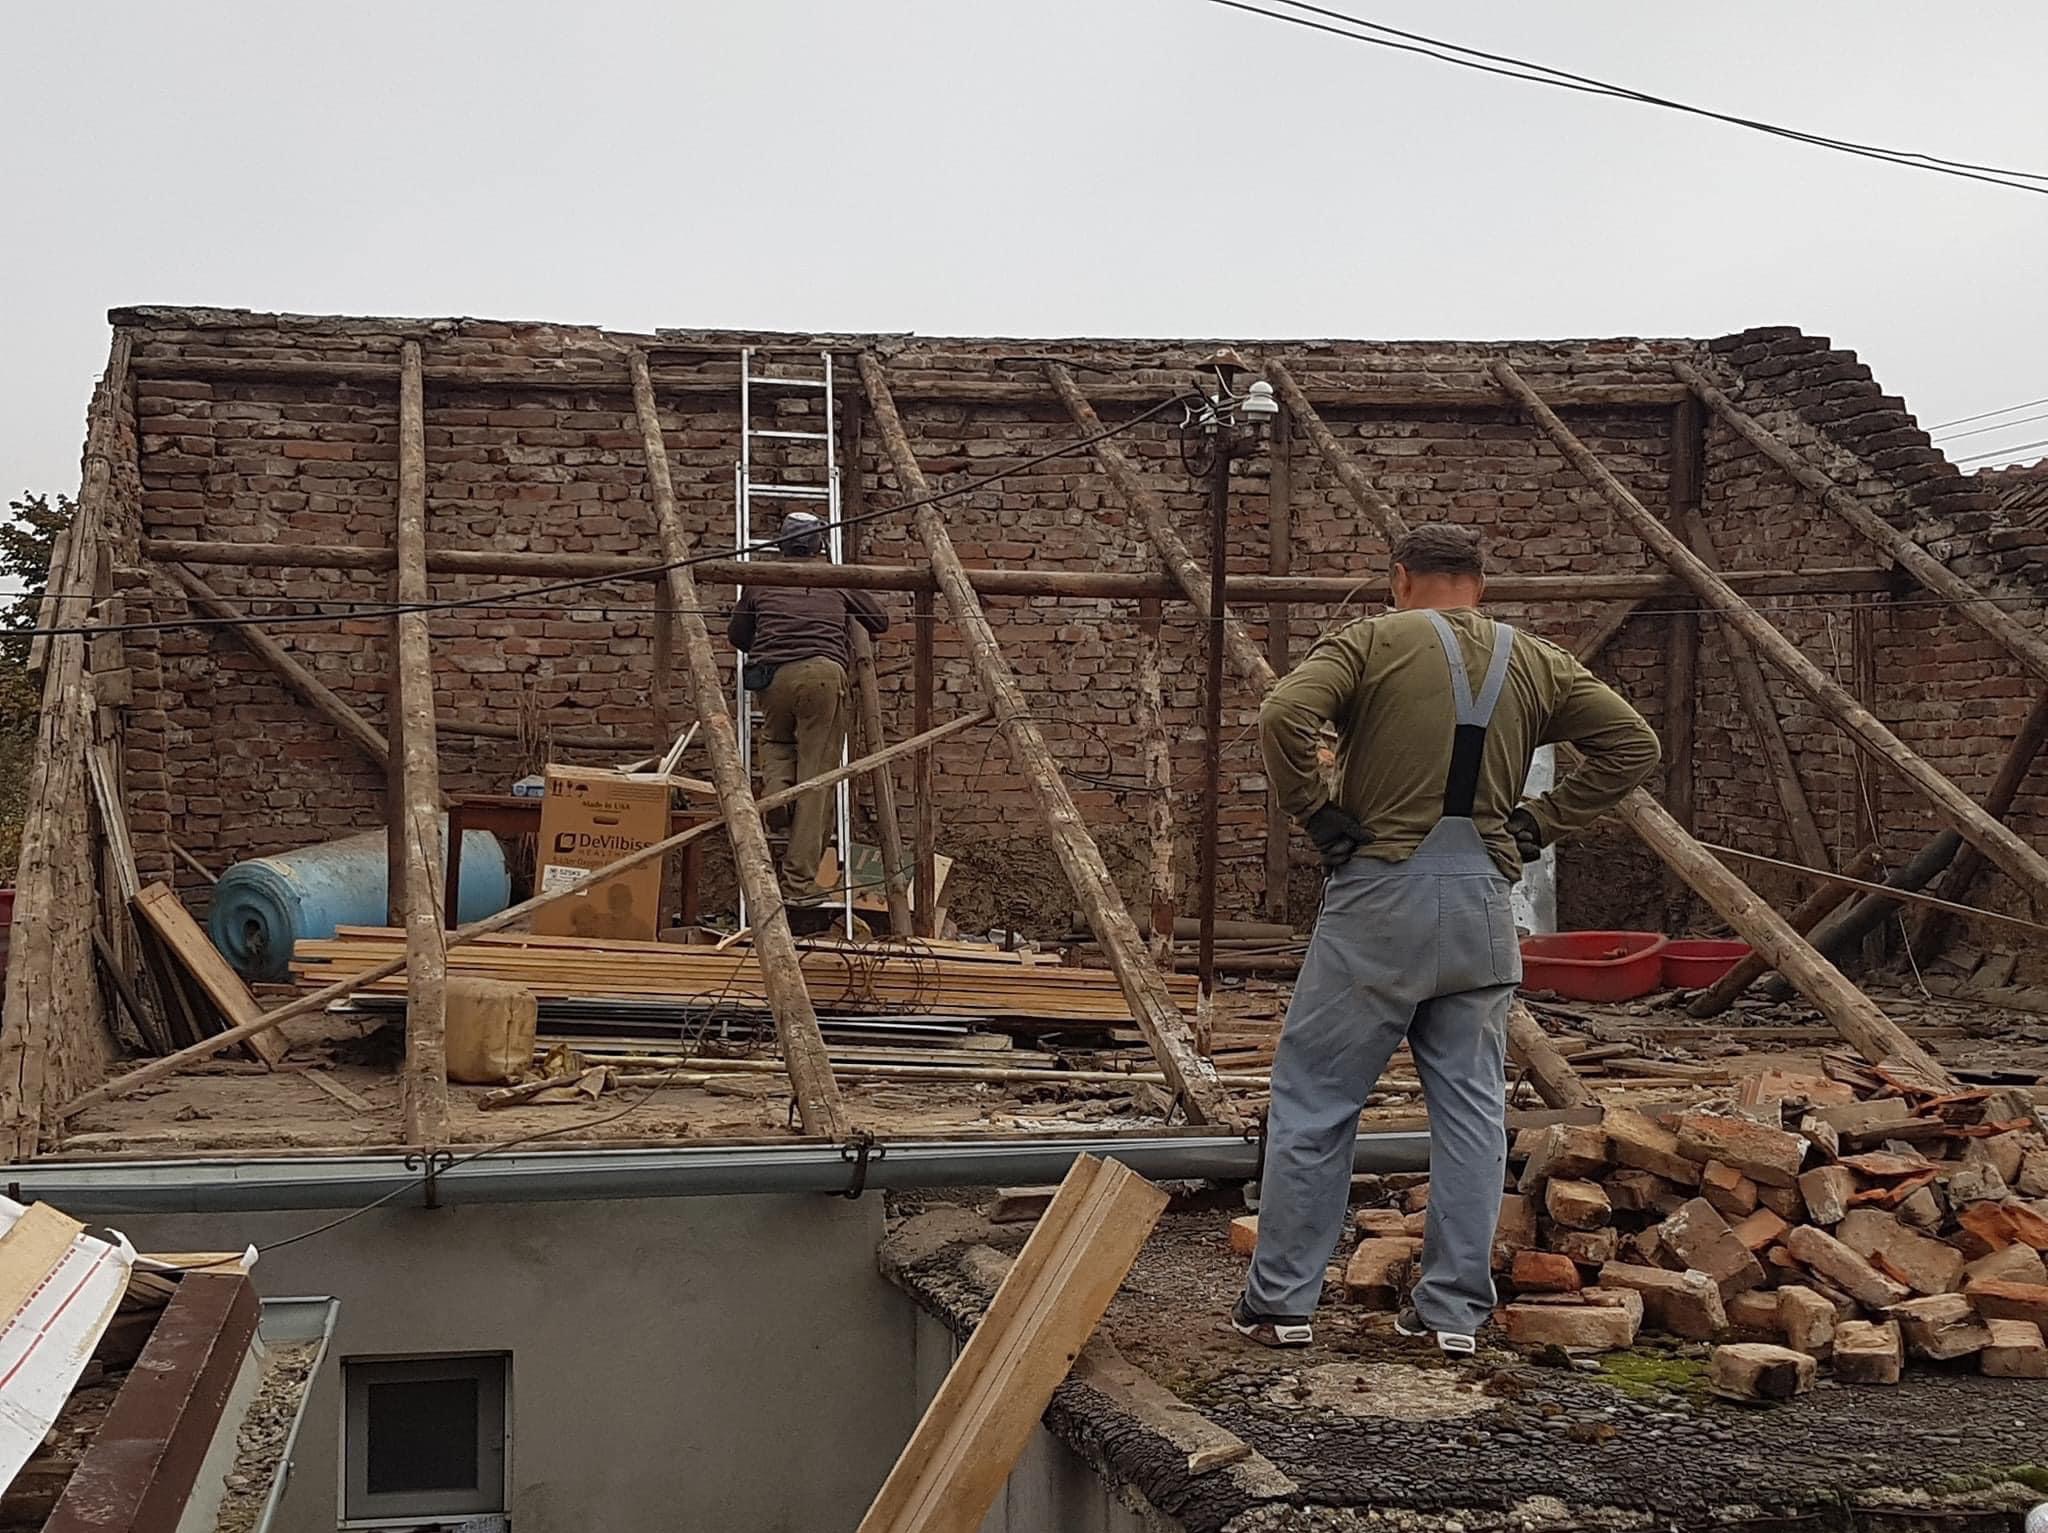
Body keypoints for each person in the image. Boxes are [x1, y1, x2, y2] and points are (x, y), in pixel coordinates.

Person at [1232, 523, 1660, 1354]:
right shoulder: (1534, 658)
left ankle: (1282, 1303)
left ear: (1400, 578)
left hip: (1379, 898)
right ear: (1480, 585)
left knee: (1319, 1101)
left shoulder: (1369, 641)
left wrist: (1316, 810)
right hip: (1482, 906)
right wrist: (1540, 822)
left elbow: (1285, 710)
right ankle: (1453, 1313)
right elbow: (1631, 746)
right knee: (1469, 1114)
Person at [726, 511, 889, 900]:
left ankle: (779, 794)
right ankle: (799, 881)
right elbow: (879, 622)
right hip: (822, 675)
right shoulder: (834, 576)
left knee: (777, 742)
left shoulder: (760, 580)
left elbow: (737, 636)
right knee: (817, 778)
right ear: (820, 545)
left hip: (773, 679)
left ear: (781, 545)